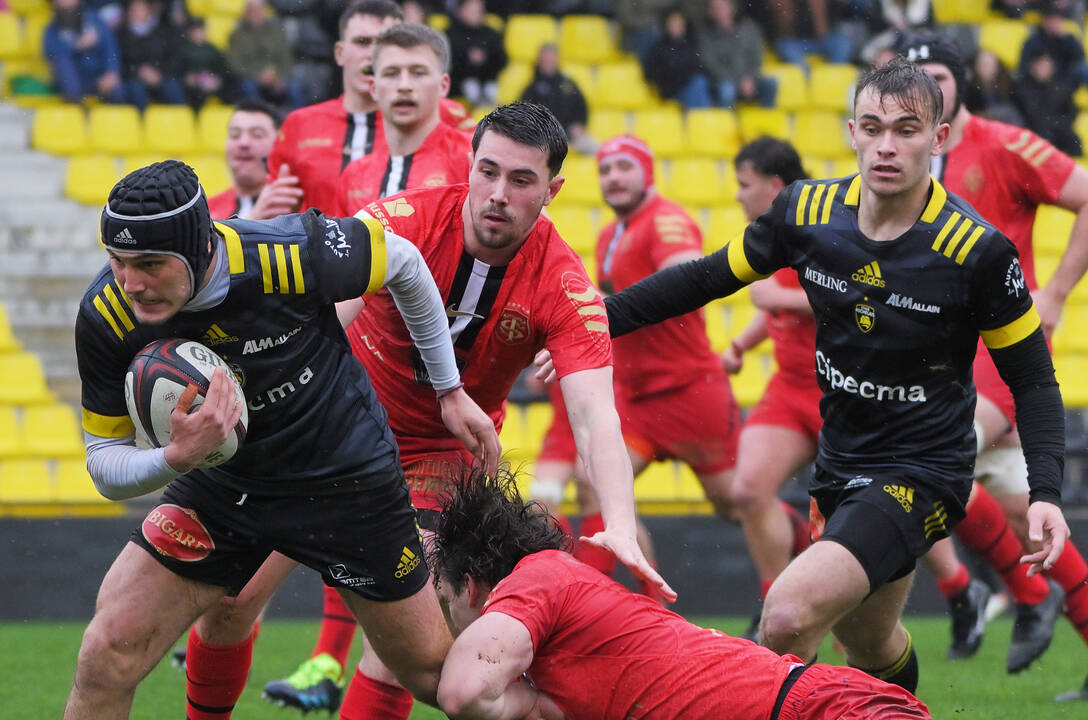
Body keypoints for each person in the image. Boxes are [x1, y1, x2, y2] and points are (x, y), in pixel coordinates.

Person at [602, 59, 1072, 697]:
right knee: (871, 644)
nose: (886, 145)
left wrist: (1045, 489)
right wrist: (600, 320)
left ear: (939, 139)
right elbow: (708, 277)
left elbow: (1036, 382)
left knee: (788, 617)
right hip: (840, 456)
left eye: (907, 129)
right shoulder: (807, 211)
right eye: (873, 127)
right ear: (852, 131)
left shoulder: (978, 252)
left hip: (923, 470)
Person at [61, 159, 500, 720]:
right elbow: (103, 464)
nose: (131, 283)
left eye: (149, 264)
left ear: (199, 247)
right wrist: (174, 458)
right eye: (117, 262)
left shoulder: (289, 252)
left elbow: (405, 263)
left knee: (438, 679)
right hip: (224, 491)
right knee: (106, 653)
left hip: (347, 480)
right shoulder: (107, 315)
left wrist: (449, 389)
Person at [276, 101, 671, 720]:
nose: (497, 194)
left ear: (552, 190)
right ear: (469, 163)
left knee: (406, 640)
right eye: (488, 172)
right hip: (332, 426)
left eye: (520, 181)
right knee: (227, 605)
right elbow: (325, 322)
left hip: (441, 456)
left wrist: (619, 522)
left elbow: (597, 416)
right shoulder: (402, 220)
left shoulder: (564, 284)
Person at [430, 469, 932, 720]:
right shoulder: (566, 629)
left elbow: (461, 691)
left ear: (472, 588)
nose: (451, 620)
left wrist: (534, 704)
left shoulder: (536, 578)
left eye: (447, 601)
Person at [901, 33, 1088, 691]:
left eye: (938, 75)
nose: (928, 84)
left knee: (926, 462)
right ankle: (1047, 603)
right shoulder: (902, 156)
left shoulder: (1005, 143)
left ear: (957, 84)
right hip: (933, 355)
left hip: (999, 354)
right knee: (1013, 510)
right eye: (914, 74)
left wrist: (1058, 293)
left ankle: (1019, 598)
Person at [535, 133, 740, 602]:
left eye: (625, 167)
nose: (613, 177)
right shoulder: (611, 234)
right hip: (640, 399)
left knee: (737, 502)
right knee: (595, 484)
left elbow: (688, 278)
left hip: (690, 391)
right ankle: (609, 610)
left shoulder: (666, 220)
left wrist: (608, 308)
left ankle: (802, 548)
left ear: (647, 173)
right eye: (605, 170)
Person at [717, 137, 822, 641]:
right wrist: (741, 342)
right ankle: (772, 606)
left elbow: (853, 295)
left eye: (744, 184)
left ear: (774, 185)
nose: (738, 196)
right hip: (790, 386)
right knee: (748, 489)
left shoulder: (828, 220)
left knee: (867, 511)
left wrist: (774, 294)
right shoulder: (777, 228)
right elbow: (781, 304)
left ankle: (960, 588)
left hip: (841, 391)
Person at [264, 1, 469, 228]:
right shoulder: (300, 124)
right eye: (363, 42)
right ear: (340, 53)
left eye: (384, 42)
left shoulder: (445, 113)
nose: (373, 54)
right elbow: (276, 212)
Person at [337, 23, 472, 215]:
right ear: (373, 87)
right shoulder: (353, 176)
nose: (404, 85)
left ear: (443, 85)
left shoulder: (470, 160)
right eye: (391, 73)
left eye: (418, 73)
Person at [207, 100, 293, 220]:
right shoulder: (207, 211)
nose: (243, 143)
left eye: (257, 135)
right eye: (235, 135)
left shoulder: (297, 210)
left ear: (279, 144)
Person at [517, 43, 593, 155]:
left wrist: (579, 124)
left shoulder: (568, 84)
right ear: (539, 60)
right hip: (542, 140)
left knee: (597, 150)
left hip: (570, 136)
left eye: (552, 58)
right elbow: (523, 113)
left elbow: (581, 106)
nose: (549, 62)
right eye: (546, 58)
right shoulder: (531, 88)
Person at [42, 0, 123, 104]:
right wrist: (77, 46)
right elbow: (50, 53)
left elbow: (110, 49)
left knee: (117, 89)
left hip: (98, 78)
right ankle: (77, 111)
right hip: (70, 82)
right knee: (63, 63)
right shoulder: (52, 29)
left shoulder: (95, 21)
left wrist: (111, 72)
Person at [701, 0, 778, 107]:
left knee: (771, 84)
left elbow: (757, 58)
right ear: (710, 11)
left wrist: (749, 78)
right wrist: (738, 80)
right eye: (715, 7)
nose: (720, 10)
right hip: (725, 80)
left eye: (722, 6)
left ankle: (767, 120)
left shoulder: (749, 29)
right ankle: (727, 121)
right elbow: (711, 64)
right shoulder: (706, 35)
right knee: (727, 91)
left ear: (731, 7)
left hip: (749, 78)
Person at [225, 0, 297, 109]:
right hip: (250, 77)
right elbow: (234, 64)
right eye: (251, 11)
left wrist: (279, 76)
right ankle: (259, 114)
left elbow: (286, 59)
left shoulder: (276, 33)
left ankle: (297, 119)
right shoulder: (237, 35)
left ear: (264, 12)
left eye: (258, 10)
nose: (255, 14)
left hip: (275, 75)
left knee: (294, 87)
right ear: (246, 13)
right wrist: (257, 76)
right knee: (248, 86)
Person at [116, 0, 185, 109]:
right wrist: (138, 71)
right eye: (133, 9)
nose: (136, 13)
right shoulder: (120, 34)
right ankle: (139, 123)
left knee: (173, 88)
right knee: (135, 90)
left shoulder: (163, 32)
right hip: (134, 78)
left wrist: (160, 74)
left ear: (148, 11)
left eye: (140, 9)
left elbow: (173, 58)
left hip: (161, 76)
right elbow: (119, 62)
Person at [642, 10, 711, 109]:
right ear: (666, 25)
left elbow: (700, 67)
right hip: (669, 91)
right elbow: (651, 73)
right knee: (698, 84)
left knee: (699, 83)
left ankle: (697, 117)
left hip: (688, 87)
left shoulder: (691, 45)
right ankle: (697, 117)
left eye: (679, 24)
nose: (677, 27)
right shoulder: (658, 47)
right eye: (674, 24)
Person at [444, 0, 504, 106]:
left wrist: (485, 56)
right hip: (457, 85)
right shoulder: (449, 34)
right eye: (472, 9)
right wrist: (467, 57)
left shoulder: (491, 33)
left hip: (488, 81)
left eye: (480, 10)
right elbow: (447, 62)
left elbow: (501, 58)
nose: (477, 13)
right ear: (460, 10)